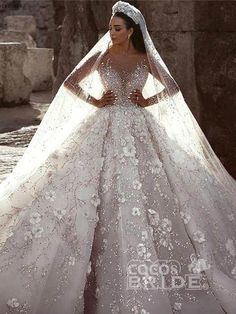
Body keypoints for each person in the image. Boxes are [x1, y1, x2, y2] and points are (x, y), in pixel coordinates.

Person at [0, 1, 235, 313]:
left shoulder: (145, 58)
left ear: (131, 30)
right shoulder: (103, 55)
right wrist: (94, 100)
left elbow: (173, 88)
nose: (111, 32)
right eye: (110, 27)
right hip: (104, 123)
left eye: (117, 28)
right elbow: (71, 83)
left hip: (139, 126)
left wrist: (148, 99)